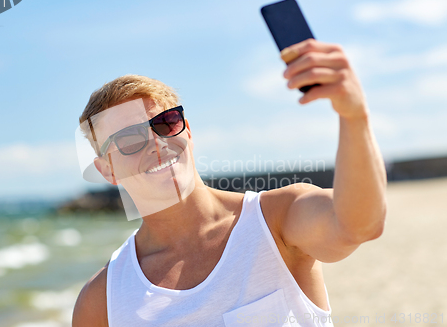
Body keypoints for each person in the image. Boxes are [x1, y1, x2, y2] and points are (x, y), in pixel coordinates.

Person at [72, 39, 387, 327]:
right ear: (107, 170)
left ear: (188, 132)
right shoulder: (102, 300)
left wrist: (354, 115)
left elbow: (358, 225)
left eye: (165, 123)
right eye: (128, 139)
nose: (156, 144)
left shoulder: (276, 220)